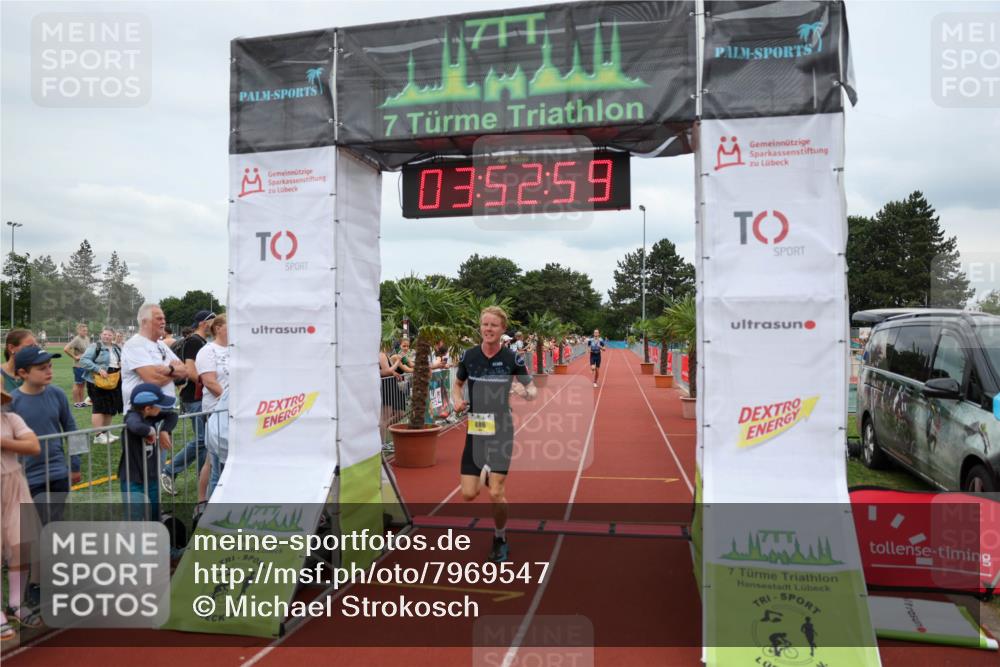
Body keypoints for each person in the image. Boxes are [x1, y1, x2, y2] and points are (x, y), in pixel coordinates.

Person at [452, 306, 536, 563]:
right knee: (468, 494)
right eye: (484, 324)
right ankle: (487, 473)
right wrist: (456, 400)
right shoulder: (469, 356)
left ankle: (500, 537)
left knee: (496, 493)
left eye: (493, 325)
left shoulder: (512, 359)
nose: (488, 329)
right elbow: (457, 384)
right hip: (476, 428)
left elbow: (532, 390)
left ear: (502, 330)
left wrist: (524, 392)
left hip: (501, 429)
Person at [10, 346, 80, 523]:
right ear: (23, 373)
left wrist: (75, 465)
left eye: (50, 366)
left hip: (58, 474)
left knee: (53, 522)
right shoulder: (12, 402)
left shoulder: (57, 394)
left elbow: (71, 429)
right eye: (42, 368)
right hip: (28, 478)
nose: (49, 371)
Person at [1, 388, 44, 637]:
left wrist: (4, 442)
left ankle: (16, 603)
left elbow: (33, 445)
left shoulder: (11, 419)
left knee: (22, 544)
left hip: (14, 486)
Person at [160, 310, 214, 496]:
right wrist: (209, 382)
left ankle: (202, 477)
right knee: (202, 439)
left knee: (206, 441)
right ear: (203, 323)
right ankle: (169, 471)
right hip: (195, 396)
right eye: (213, 320)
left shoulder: (199, 342)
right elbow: (191, 371)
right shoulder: (194, 341)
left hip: (196, 396)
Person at [121, 383, 178, 521]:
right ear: (148, 408)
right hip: (133, 479)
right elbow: (135, 426)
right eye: (160, 405)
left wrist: (164, 430)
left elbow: (172, 415)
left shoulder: (151, 416)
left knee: (155, 513)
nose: (162, 408)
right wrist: (151, 431)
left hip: (151, 476)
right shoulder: (132, 416)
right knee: (134, 517)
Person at [121, 304, 186, 415]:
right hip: (143, 411)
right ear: (144, 322)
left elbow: (185, 370)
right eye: (159, 318)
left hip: (165, 407)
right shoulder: (134, 345)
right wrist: (173, 371)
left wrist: (168, 370)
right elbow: (153, 380)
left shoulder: (161, 345)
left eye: (164, 318)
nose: (164, 322)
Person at [196, 315, 228, 500]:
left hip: (233, 414)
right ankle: (208, 505)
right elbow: (209, 382)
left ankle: (204, 502)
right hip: (216, 412)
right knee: (216, 465)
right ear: (218, 328)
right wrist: (231, 402)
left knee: (214, 462)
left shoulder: (236, 350)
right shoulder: (208, 351)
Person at [78, 327, 123, 443]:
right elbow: (84, 360)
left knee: (110, 408)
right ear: (101, 335)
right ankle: (98, 436)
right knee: (98, 407)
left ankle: (106, 432)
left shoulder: (116, 348)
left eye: (109, 335)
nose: (106, 337)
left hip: (113, 380)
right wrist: (98, 369)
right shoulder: (95, 346)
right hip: (97, 381)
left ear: (113, 336)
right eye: (104, 334)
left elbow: (119, 360)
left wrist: (121, 363)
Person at [63, 322, 91, 408]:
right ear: (78, 331)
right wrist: (75, 357)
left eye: (86, 330)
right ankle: (76, 403)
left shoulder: (87, 338)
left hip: (86, 365)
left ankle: (81, 403)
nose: (85, 332)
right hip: (78, 366)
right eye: (83, 330)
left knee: (82, 385)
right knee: (78, 384)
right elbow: (66, 349)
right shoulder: (77, 339)